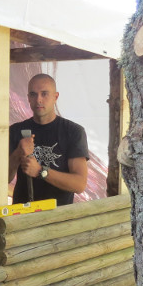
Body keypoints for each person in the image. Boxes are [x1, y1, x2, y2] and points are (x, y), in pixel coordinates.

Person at [8, 73, 89, 206]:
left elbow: (79, 184)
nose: (38, 99)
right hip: (23, 216)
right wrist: (18, 153)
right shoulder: (16, 131)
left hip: (58, 217)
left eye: (44, 94)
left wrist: (41, 171)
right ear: (28, 98)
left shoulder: (73, 132)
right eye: (33, 94)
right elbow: (3, 179)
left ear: (55, 97)